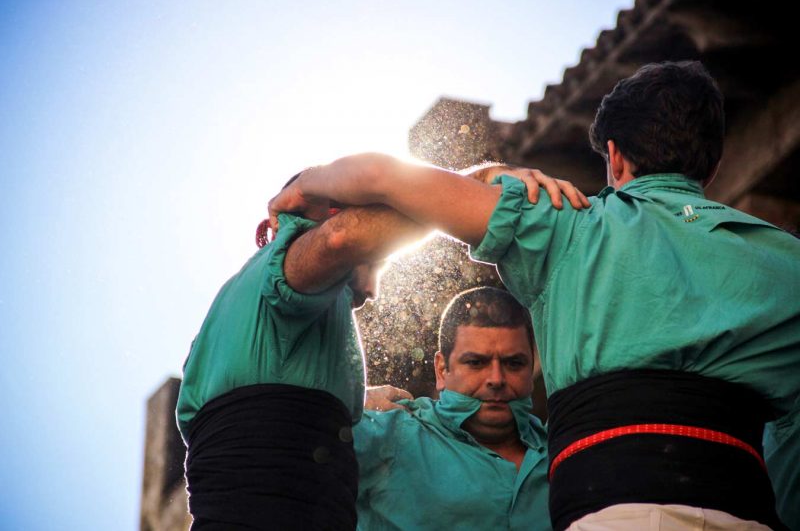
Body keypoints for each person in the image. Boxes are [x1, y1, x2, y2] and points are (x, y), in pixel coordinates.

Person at [268, 61, 800, 530]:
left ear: (613, 158)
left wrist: (307, 185)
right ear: (712, 166)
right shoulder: (787, 262)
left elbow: (383, 176)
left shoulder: (569, 227)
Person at [178, 171, 582, 529]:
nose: (373, 291)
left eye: (514, 364)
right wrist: (476, 182)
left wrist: (351, 407)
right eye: (378, 259)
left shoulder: (251, 315)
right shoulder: (283, 274)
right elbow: (340, 238)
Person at [354, 287, 550, 531]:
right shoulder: (394, 432)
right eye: (476, 363)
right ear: (441, 370)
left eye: (514, 363)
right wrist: (344, 403)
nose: (497, 378)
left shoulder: (563, 449)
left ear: (531, 370)